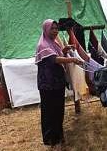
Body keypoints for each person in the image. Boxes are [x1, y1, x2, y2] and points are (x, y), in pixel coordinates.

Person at [35, 19, 82, 149]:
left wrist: (65, 50)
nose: (55, 31)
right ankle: (50, 140)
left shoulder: (53, 43)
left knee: (59, 110)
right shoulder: (43, 45)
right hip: (47, 85)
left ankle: (58, 135)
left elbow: (58, 54)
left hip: (57, 83)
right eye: (52, 28)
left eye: (56, 28)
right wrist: (72, 59)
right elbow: (54, 59)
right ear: (46, 29)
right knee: (49, 112)